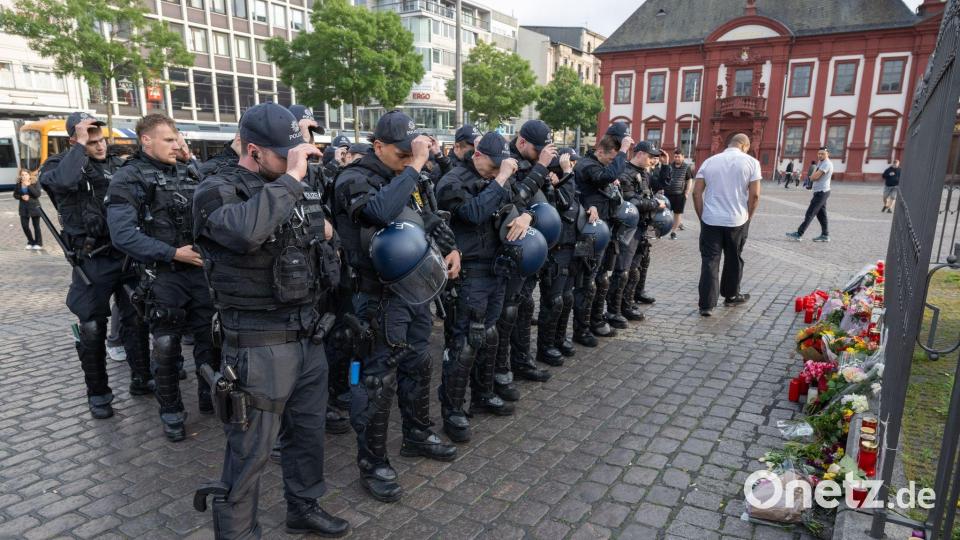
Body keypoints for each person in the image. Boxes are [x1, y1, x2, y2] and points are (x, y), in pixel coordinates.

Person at [191, 102, 349, 537]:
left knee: (307, 434)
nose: (296, 162)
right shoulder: (217, 189)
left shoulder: (297, 184)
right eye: (285, 155)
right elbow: (244, 232)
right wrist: (292, 180)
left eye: (298, 154)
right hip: (257, 343)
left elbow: (321, 238)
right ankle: (239, 532)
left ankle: (303, 506)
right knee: (251, 450)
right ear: (254, 150)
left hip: (308, 333)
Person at [333, 110, 461, 502]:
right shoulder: (354, 178)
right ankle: (372, 463)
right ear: (378, 147)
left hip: (413, 290)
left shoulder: (407, 178)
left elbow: (426, 218)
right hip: (374, 295)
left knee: (419, 362)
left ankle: (417, 433)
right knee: (377, 379)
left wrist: (450, 245)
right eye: (403, 153)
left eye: (414, 152)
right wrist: (417, 166)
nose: (410, 159)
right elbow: (377, 212)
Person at [106, 113, 220, 442]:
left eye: (177, 138)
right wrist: (172, 253)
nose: (177, 144)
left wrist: (192, 161)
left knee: (209, 340)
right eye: (169, 140)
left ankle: (208, 396)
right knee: (167, 346)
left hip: (198, 271)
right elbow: (123, 234)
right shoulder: (128, 178)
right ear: (146, 141)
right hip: (162, 273)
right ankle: (171, 411)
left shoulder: (188, 170)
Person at [40, 111, 153, 419]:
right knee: (92, 328)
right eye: (91, 142)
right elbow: (64, 181)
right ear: (74, 141)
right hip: (91, 261)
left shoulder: (120, 166)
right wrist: (79, 145)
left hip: (126, 256)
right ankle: (99, 393)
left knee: (136, 318)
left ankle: (142, 378)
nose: (100, 146)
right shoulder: (58, 168)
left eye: (101, 139)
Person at [435, 131, 522, 442]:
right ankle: (453, 410)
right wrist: (500, 181)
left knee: (489, 334)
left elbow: (516, 207)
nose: (499, 170)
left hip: (497, 267)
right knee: (464, 343)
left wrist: (525, 218)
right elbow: (472, 214)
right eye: (494, 164)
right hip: (469, 271)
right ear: (477, 155)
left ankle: (483, 394)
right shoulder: (452, 181)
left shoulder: (500, 179)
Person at [501, 119, 554, 392]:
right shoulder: (506, 162)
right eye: (538, 149)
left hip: (533, 247)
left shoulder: (534, 163)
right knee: (506, 313)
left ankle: (522, 361)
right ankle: (502, 371)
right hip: (511, 249)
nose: (542, 154)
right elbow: (518, 197)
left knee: (525, 307)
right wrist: (542, 168)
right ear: (522, 142)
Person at [573, 122, 632, 346]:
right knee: (585, 283)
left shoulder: (598, 165)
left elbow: (608, 178)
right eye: (610, 158)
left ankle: (595, 321)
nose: (611, 163)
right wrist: (623, 153)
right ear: (600, 151)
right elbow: (603, 176)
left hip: (603, 231)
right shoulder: (587, 165)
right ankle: (582, 328)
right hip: (588, 235)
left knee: (599, 280)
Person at [692, 133, 761, 317]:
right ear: (745, 145)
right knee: (733, 258)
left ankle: (706, 305)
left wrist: (702, 217)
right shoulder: (751, 162)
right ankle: (731, 295)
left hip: (711, 219)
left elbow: (696, 193)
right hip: (737, 219)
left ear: (728, 144)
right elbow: (755, 195)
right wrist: (749, 217)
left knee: (710, 261)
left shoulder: (709, 161)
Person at [537, 148, 581, 365]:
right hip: (556, 250)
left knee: (567, 298)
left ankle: (559, 338)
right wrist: (564, 176)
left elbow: (576, 203)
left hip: (572, 248)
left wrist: (591, 208)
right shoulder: (551, 188)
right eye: (568, 164)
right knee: (553, 301)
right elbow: (563, 203)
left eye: (572, 165)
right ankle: (545, 346)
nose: (572, 168)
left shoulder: (569, 186)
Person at [618, 141, 666, 316]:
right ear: (639, 154)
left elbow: (659, 187)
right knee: (624, 270)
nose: (653, 159)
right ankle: (618, 308)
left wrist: (665, 166)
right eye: (650, 156)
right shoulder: (625, 173)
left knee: (635, 268)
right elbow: (631, 202)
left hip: (642, 226)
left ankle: (628, 303)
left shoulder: (644, 174)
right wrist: (655, 204)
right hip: (630, 228)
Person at [786, 147, 833, 242]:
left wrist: (811, 177)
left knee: (810, 213)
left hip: (822, 192)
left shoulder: (827, 163)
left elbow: (816, 176)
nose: (820, 155)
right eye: (819, 153)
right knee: (821, 215)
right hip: (820, 192)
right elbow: (815, 175)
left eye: (822, 154)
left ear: (828, 154)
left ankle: (799, 233)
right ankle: (825, 235)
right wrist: (812, 177)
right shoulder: (821, 162)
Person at [664, 149, 694, 239]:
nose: (676, 158)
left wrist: (687, 192)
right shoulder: (670, 166)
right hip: (668, 194)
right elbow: (665, 178)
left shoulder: (686, 167)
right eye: (675, 156)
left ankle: (673, 232)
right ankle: (664, 230)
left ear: (683, 157)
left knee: (677, 214)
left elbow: (689, 180)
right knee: (666, 213)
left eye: (678, 156)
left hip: (680, 195)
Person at [14, 169, 42, 250]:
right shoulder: (19, 184)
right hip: (23, 208)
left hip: (34, 207)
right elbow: (15, 195)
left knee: (36, 226)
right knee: (25, 226)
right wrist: (21, 197)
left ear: (29, 175)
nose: (24, 176)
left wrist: (28, 186)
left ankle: (39, 243)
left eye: (26, 174)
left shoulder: (35, 182)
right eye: (22, 175)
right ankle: (31, 242)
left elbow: (37, 194)